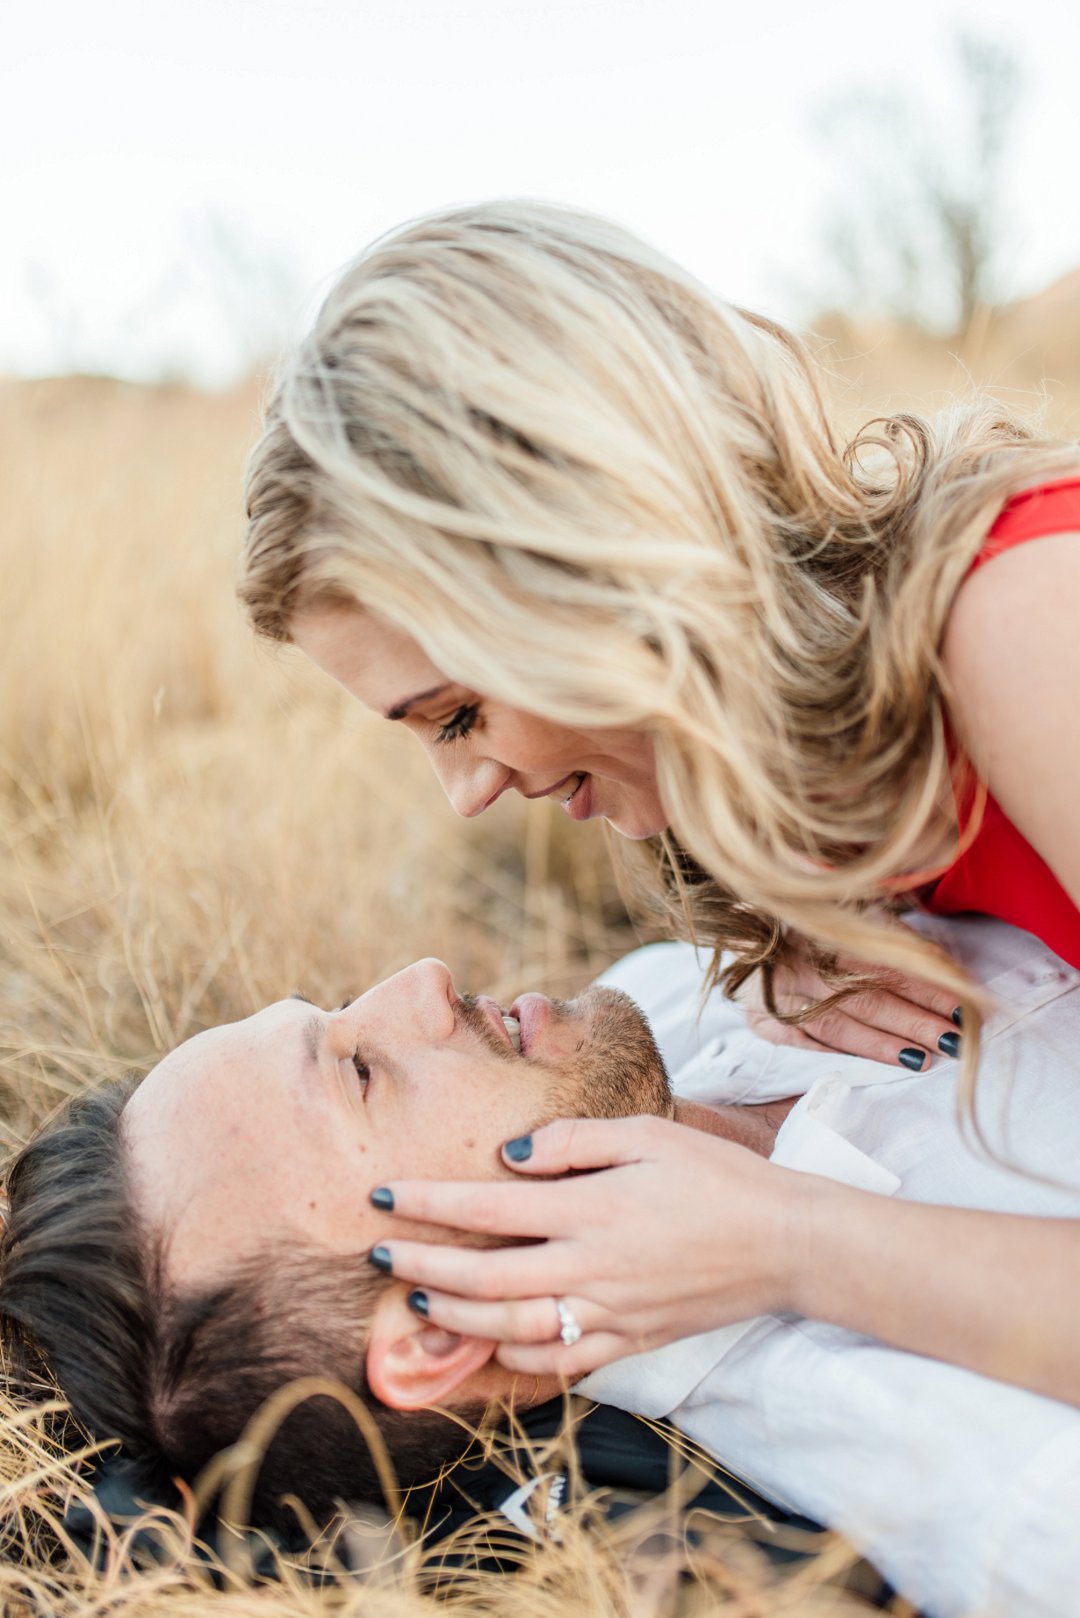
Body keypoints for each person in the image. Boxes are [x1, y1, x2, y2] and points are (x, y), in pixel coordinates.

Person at [238, 198, 1080, 1401]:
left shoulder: (1024, 627)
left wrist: (786, 1242)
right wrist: (808, 919)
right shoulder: (829, 798)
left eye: (460, 713)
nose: (469, 793)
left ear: (603, 570)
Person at [2, 914, 1078, 1618]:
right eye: (364, 1072)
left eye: (336, 1013)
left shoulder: (675, 996)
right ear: (435, 1333)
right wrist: (803, 1243)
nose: (419, 980)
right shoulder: (960, 1471)